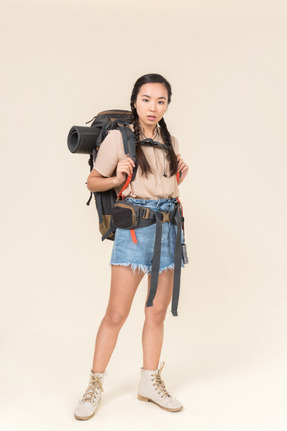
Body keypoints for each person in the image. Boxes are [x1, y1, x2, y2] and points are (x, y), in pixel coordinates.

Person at [74, 73, 189, 420]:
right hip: (135, 232)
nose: (153, 107)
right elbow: (93, 181)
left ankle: (149, 382)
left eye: (160, 101)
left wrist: (179, 175)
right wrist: (116, 176)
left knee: (155, 312)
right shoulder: (118, 138)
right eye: (146, 99)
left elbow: (164, 186)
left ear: (167, 104)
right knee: (116, 314)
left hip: (168, 231)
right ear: (134, 101)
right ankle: (94, 385)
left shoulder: (171, 141)